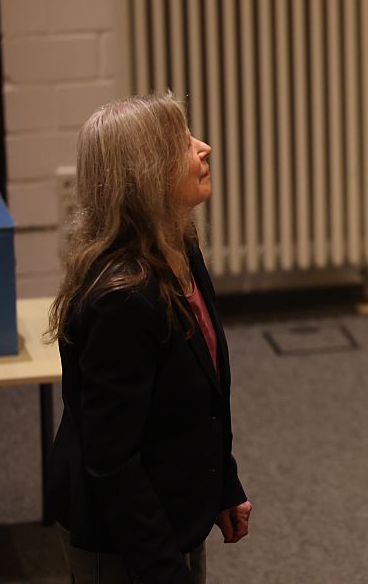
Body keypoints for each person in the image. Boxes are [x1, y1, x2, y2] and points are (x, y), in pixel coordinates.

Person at [46, 93, 251, 583]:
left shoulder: (180, 244)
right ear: (146, 171)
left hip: (172, 516)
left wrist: (223, 484)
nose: (203, 148)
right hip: (126, 541)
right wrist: (163, 571)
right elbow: (111, 462)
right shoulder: (123, 299)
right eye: (183, 144)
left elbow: (204, 389)